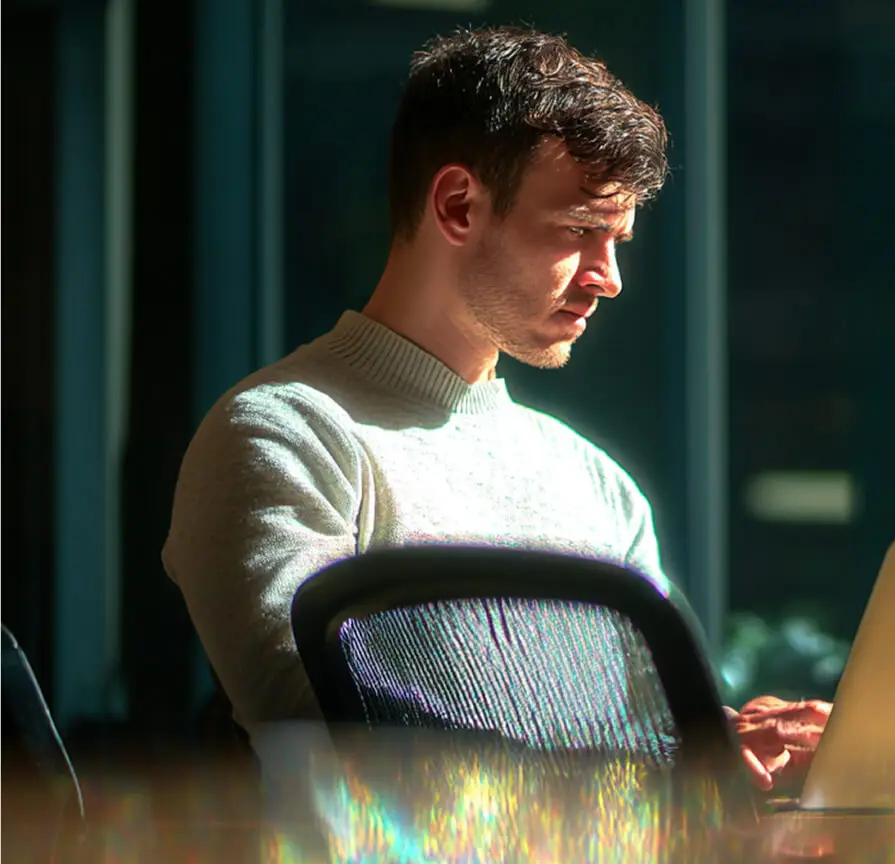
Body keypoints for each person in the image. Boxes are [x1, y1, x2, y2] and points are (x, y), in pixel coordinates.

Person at [163, 25, 825, 791]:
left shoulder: (595, 482)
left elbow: (658, 743)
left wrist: (730, 736)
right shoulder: (285, 437)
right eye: (579, 231)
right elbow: (331, 736)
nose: (607, 277)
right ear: (456, 206)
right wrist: (655, 770)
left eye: (618, 239)